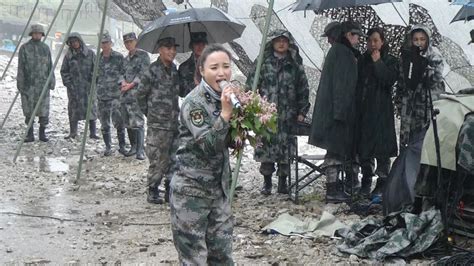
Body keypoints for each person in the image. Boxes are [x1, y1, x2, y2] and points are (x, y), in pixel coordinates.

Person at [170, 43, 236, 265]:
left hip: (218, 190)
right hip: (192, 193)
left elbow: (228, 141)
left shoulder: (225, 98)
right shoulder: (194, 103)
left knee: (222, 256)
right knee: (194, 259)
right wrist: (225, 116)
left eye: (226, 66)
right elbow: (208, 145)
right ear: (202, 71)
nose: (221, 73)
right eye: (214, 67)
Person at [245, 29, 310, 195]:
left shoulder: (295, 64)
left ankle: (283, 183)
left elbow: (303, 88)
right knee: (265, 148)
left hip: (288, 115)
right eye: (278, 40)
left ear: (289, 44)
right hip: (266, 116)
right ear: (272, 43)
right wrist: (253, 109)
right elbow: (251, 86)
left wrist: (302, 111)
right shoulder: (262, 63)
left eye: (284, 41)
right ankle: (267, 183)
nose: (281, 43)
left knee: (286, 149)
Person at [309, 21, 362, 203]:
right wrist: (341, 114)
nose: (358, 39)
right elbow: (342, 87)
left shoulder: (340, 52)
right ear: (348, 35)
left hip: (334, 111)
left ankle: (335, 188)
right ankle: (332, 190)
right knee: (335, 152)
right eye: (356, 35)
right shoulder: (342, 53)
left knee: (335, 151)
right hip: (338, 113)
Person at [355, 28, 399, 198]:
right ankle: (366, 179)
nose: (372, 44)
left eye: (375, 40)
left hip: (382, 111)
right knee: (365, 147)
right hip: (365, 111)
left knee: (382, 148)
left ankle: (382, 182)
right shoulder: (362, 60)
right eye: (369, 41)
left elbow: (388, 80)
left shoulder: (390, 60)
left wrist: (378, 62)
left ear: (382, 41)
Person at [136, 37, 180, 204]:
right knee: (158, 158)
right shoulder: (151, 71)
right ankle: (153, 189)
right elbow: (140, 95)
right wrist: (151, 113)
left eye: (174, 48)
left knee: (173, 157)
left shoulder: (174, 70)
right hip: (158, 124)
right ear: (160, 49)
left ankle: (170, 189)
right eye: (168, 48)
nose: (172, 51)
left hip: (174, 122)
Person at [395, 25, 445, 152]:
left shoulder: (434, 56)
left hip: (427, 107)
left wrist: (422, 66)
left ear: (427, 40)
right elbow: (401, 82)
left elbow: (436, 79)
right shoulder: (406, 56)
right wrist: (399, 103)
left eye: (422, 39)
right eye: (415, 39)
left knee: (426, 142)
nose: (419, 42)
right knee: (408, 142)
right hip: (409, 107)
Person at [17, 24, 55, 142]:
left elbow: (50, 66)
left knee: (43, 110)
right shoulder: (24, 48)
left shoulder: (45, 48)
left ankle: (42, 133)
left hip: (43, 85)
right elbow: (21, 67)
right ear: (31, 34)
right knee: (29, 111)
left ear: (42, 35)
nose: (37, 35)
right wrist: (21, 84)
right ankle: (30, 134)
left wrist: (51, 81)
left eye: (39, 33)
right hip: (29, 85)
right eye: (35, 33)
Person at [60, 32, 99, 140]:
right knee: (73, 109)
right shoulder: (68, 56)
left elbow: (96, 69)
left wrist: (92, 80)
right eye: (72, 42)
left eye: (76, 41)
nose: (74, 44)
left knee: (91, 108)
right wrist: (68, 83)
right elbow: (64, 71)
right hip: (74, 88)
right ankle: (73, 132)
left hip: (88, 87)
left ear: (80, 41)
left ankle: (93, 132)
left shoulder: (90, 54)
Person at [120, 32, 150, 160]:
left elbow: (144, 73)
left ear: (136, 41)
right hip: (125, 94)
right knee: (127, 122)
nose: (129, 44)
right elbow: (120, 73)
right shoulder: (125, 59)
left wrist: (131, 84)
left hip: (137, 94)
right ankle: (133, 147)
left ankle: (140, 150)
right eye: (126, 42)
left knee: (138, 122)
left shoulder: (143, 56)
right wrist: (122, 82)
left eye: (131, 41)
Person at [96, 32, 126, 156]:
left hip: (115, 95)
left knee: (119, 121)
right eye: (102, 43)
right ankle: (108, 146)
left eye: (106, 42)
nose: (105, 45)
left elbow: (124, 72)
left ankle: (122, 146)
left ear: (110, 43)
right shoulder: (97, 58)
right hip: (102, 95)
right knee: (104, 123)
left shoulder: (118, 57)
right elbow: (94, 76)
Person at [178, 31, 208, 97]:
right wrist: (194, 84)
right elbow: (181, 93)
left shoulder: (214, 64)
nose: (200, 47)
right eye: (197, 44)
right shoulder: (184, 67)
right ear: (191, 46)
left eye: (203, 44)